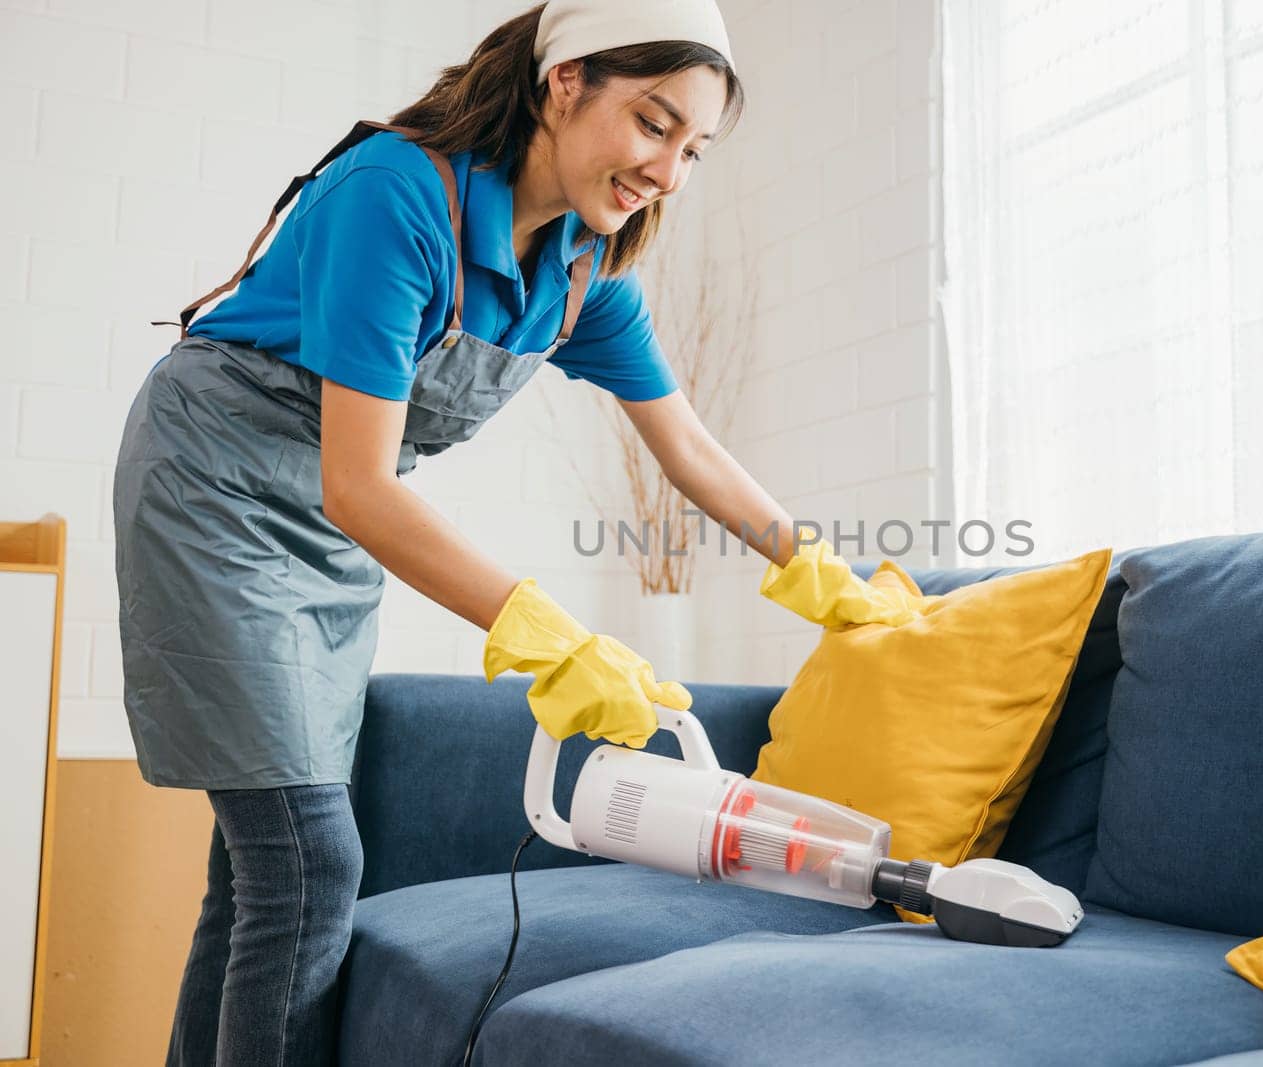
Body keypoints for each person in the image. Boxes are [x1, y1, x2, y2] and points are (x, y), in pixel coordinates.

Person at [110, 1, 918, 1063]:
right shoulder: (396, 193)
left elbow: (691, 450)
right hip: (214, 486)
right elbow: (361, 483)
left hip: (328, 515)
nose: (667, 171)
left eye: (693, 148)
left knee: (265, 867)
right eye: (651, 121)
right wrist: (548, 632)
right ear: (566, 81)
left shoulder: (584, 273)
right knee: (307, 859)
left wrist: (819, 570)